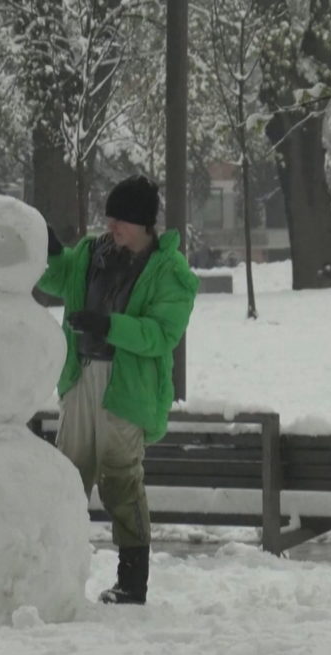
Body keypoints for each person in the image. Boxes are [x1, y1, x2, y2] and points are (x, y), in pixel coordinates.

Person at [34, 175, 198, 605]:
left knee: (121, 480)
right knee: (68, 476)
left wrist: (109, 326)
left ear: (144, 223)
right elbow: (58, 279)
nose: (111, 226)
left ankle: (132, 581)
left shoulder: (171, 272)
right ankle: (55, 573)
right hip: (81, 376)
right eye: (109, 218)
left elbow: (161, 335)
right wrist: (50, 252)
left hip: (128, 386)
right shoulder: (92, 253)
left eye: (120, 219)